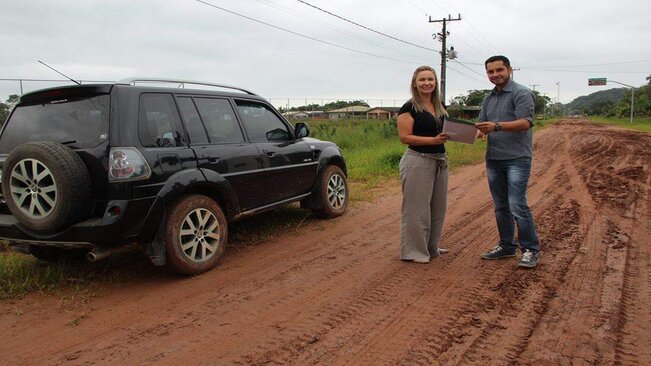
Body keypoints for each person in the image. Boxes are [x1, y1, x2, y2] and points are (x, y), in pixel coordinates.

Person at [475, 55, 541, 268]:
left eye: (499, 70)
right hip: (494, 158)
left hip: (517, 158)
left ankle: (531, 249)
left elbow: (525, 123)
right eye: (491, 72)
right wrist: (479, 132)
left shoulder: (521, 93)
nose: (495, 75)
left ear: (509, 70)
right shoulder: (488, 98)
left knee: (517, 204)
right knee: (501, 206)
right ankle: (506, 246)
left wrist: (496, 127)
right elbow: (483, 123)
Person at [397, 65, 450, 264]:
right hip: (418, 160)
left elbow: (449, 131)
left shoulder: (440, 106)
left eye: (430, 79)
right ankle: (414, 251)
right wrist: (433, 141)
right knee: (416, 209)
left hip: (440, 161)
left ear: (436, 83)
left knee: (438, 208)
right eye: (422, 80)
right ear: (415, 83)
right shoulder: (409, 107)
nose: (426, 83)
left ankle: (431, 247)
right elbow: (405, 137)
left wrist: (474, 133)